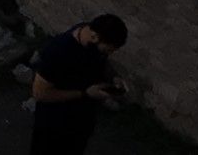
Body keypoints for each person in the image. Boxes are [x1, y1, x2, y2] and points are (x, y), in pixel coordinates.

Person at [27, 14, 128, 150]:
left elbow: (100, 60)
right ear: (94, 37)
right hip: (55, 123)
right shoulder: (58, 52)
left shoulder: (90, 35)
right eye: (107, 50)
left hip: (80, 122)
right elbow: (40, 93)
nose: (108, 54)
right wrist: (85, 93)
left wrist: (113, 78)